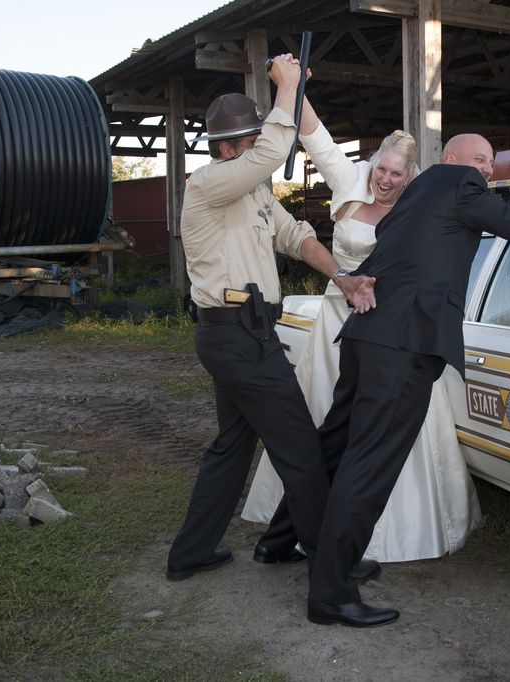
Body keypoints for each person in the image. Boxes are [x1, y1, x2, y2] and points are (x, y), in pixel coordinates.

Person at [306, 134, 510, 627]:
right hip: (404, 346)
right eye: (481, 161)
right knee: (369, 465)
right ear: (452, 161)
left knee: (338, 449)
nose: (487, 171)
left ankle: (295, 546)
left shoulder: (414, 199)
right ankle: (331, 594)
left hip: (369, 336)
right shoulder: (454, 182)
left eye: (489, 164)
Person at [165, 55, 377, 584]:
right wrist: (288, 86)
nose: (259, 149)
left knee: (231, 449)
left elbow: (296, 238)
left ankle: (190, 554)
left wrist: (344, 279)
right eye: (250, 141)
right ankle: (332, 563)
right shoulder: (207, 185)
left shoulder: (253, 192)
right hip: (236, 335)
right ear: (225, 148)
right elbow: (272, 152)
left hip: (245, 335)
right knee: (301, 450)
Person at [240, 107, 483, 563]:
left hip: (385, 333)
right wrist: (295, 84)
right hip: (334, 323)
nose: (384, 181)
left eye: (395, 174)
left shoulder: (420, 204)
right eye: (381, 170)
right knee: (322, 435)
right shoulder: (349, 183)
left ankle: (371, 535)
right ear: (371, 166)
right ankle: (294, 533)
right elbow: (315, 136)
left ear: (409, 178)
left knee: (374, 441)